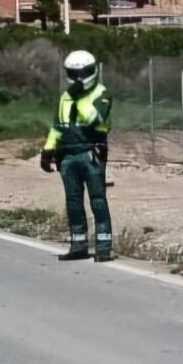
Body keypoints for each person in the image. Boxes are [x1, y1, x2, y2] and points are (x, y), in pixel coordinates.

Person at [40, 49, 114, 262]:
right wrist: (48, 150)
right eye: (74, 73)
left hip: (91, 152)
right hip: (67, 155)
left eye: (83, 73)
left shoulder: (102, 94)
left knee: (98, 199)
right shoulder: (65, 97)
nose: (78, 78)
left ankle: (103, 247)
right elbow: (58, 126)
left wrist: (79, 97)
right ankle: (78, 244)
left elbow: (94, 118)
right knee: (73, 202)